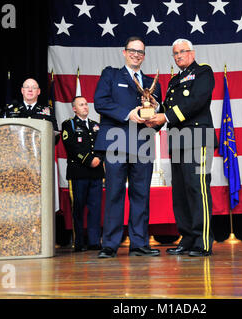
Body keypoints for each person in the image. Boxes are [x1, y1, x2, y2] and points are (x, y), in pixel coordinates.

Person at [93, 36, 162, 258]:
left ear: (144, 56)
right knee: (113, 193)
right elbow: (100, 102)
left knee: (140, 194)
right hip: (116, 143)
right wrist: (128, 114)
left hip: (142, 144)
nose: (136, 54)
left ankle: (140, 243)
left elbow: (157, 117)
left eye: (140, 52)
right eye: (132, 50)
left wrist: (154, 111)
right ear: (124, 52)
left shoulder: (153, 83)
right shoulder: (110, 75)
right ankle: (110, 244)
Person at [146, 39, 216, 257]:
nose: (178, 56)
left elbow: (196, 101)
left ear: (192, 53)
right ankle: (187, 239)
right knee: (181, 194)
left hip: (198, 138)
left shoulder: (204, 72)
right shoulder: (175, 80)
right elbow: (168, 107)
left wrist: (164, 115)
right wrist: (154, 109)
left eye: (182, 52)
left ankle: (202, 242)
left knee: (198, 190)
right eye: (175, 53)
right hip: (177, 141)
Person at [61, 96, 105, 252]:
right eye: (81, 104)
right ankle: (78, 242)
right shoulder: (69, 125)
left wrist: (99, 158)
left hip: (96, 173)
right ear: (74, 108)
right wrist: (88, 160)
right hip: (78, 173)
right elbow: (71, 147)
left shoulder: (96, 125)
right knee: (78, 209)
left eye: (86, 104)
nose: (85, 107)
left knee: (95, 209)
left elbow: (103, 145)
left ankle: (94, 242)